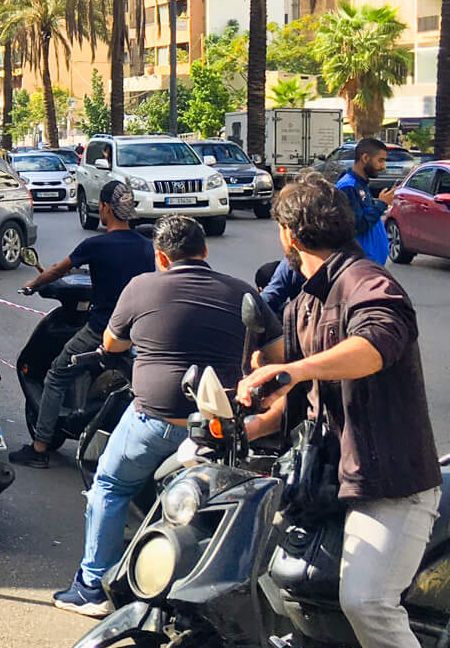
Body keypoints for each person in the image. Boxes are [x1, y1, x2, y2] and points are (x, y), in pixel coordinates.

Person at [235, 172, 450, 648]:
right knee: (254, 559)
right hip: (326, 478)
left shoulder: (367, 284)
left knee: (367, 599)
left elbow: (375, 346)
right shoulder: (306, 299)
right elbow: (301, 404)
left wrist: (298, 371)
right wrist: (238, 425)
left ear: (288, 235)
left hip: (389, 482)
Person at [53, 214, 280, 616]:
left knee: (110, 483)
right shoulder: (242, 289)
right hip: (223, 428)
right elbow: (276, 356)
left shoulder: (142, 287)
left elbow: (112, 343)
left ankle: (92, 588)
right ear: (205, 250)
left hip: (156, 422)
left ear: (161, 256)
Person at [11, 181, 153, 467]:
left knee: (56, 374)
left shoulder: (96, 244)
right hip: (139, 332)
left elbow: (57, 270)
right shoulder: (145, 247)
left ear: (105, 208)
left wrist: (32, 285)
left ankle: (39, 448)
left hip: (101, 331)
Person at [335, 136, 395, 265]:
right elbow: (356, 226)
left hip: (370, 264)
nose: (383, 166)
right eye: (380, 160)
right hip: (361, 265)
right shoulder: (348, 187)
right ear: (365, 158)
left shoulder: (360, 184)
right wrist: (382, 204)